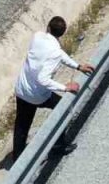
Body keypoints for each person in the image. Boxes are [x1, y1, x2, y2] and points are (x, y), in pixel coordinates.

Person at [12, 16, 95, 163]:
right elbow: (43, 79)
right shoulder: (55, 51)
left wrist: (77, 66)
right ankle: (59, 145)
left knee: (21, 126)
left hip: (22, 90)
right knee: (62, 109)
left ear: (48, 27)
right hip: (37, 94)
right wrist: (65, 88)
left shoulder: (37, 36)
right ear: (62, 33)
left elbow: (59, 54)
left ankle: (18, 160)